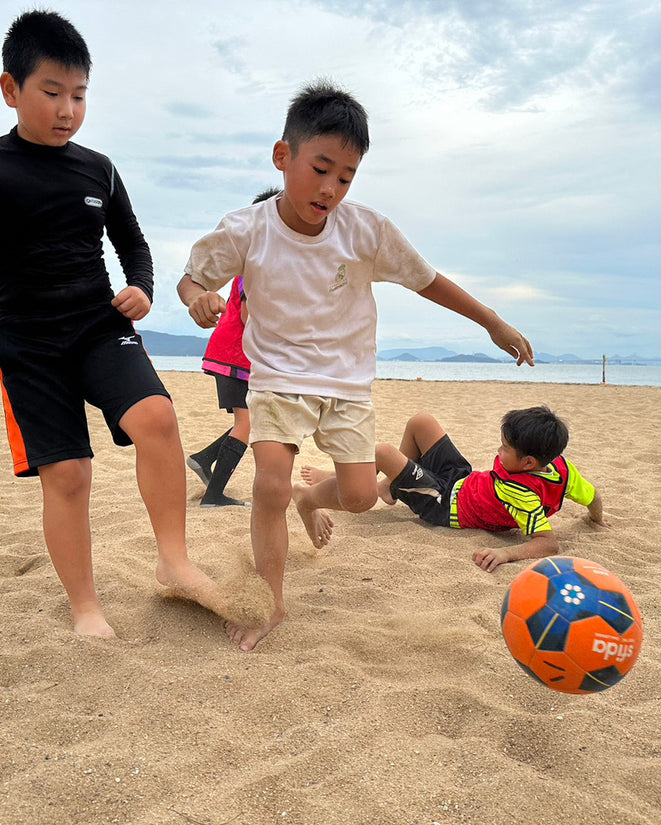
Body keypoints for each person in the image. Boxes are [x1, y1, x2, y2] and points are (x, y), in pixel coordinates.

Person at [178, 80, 534, 651]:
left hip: (345, 384)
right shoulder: (247, 229)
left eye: (345, 176)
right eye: (320, 168)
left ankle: (308, 499)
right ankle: (271, 603)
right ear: (283, 156)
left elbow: (427, 280)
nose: (330, 188)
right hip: (276, 380)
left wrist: (489, 321)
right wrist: (197, 295)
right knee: (269, 483)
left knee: (364, 495)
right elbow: (193, 274)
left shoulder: (366, 230)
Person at [0, 9, 228, 637]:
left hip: (98, 325)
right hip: (28, 340)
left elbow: (134, 243)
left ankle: (174, 563)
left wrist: (142, 288)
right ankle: (85, 606)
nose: (67, 109)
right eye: (52, 93)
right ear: (11, 89)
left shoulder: (97, 168)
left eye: (78, 95)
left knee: (157, 417)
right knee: (69, 474)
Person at [302, 407, 608, 572]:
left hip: (444, 504)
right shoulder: (562, 470)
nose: (498, 451)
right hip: (463, 480)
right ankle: (387, 486)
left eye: (504, 448)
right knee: (421, 422)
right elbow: (593, 496)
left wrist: (506, 553)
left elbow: (547, 542)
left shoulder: (521, 493)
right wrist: (595, 518)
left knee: (382, 452)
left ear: (528, 462)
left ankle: (364, 480)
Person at [186, 186, 279, 508]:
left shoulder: (252, 265)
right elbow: (253, 314)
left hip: (229, 353)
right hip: (236, 355)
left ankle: (203, 459)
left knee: (248, 421)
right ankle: (214, 496)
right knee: (248, 424)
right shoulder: (257, 266)